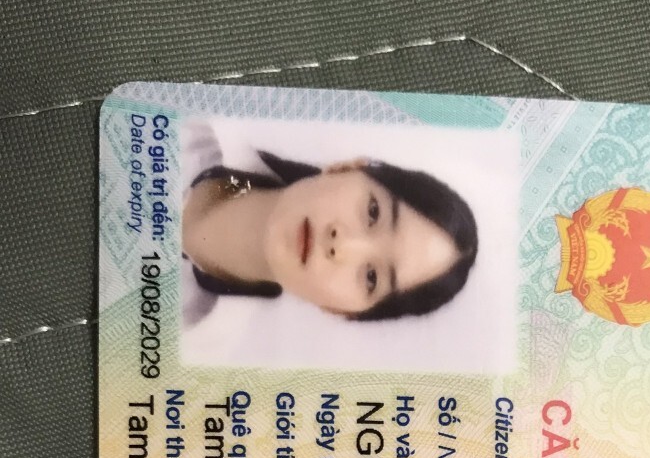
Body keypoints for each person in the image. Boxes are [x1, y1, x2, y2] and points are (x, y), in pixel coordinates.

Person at [180, 125, 479, 329]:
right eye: (373, 212)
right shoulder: (189, 125)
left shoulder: (190, 340)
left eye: (372, 277)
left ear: (343, 311)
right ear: (346, 168)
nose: (344, 245)